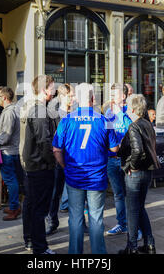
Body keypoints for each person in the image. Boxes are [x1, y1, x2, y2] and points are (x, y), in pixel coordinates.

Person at [53, 83, 120, 254]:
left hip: (74, 176)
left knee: (75, 218)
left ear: (76, 100)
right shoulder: (104, 120)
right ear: (93, 99)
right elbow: (114, 149)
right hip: (96, 177)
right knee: (96, 219)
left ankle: (75, 253)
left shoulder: (66, 120)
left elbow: (56, 149)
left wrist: (65, 166)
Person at [117, 94, 160, 254]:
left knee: (133, 210)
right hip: (147, 171)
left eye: (128, 107)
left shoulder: (134, 126)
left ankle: (132, 247)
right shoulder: (148, 124)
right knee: (140, 208)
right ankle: (149, 244)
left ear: (133, 109)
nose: (126, 109)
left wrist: (130, 166)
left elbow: (138, 150)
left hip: (136, 173)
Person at [19, 75, 56, 254]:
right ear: (44, 89)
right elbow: (44, 141)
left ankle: (32, 242)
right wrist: (52, 162)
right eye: (52, 88)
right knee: (39, 209)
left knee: (32, 206)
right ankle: (40, 247)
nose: (54, 91)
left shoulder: (31, 107)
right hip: (39, 167)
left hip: (32, 165)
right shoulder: (39, 110)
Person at [104, 84, 135, 237]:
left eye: (114, 94)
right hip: (111, 160)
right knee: (118, 194)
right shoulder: (108, 112)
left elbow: (132, 132)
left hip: (126, 160)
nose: (111, 97)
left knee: (131, 194)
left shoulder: (129, 112)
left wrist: (121, 115)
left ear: (123, 96)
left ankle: (135, 226)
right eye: (111, 94)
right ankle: (122, 224)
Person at [46, 83, 75, 234]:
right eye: (70, 96)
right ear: (62, 96)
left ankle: (79, 223)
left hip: (73, 160)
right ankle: (52, 221)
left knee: (77, 193)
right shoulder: (54, 115)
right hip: (58, 159)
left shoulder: (76, 114)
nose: (73, 98)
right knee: (55, 193)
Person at [0, 86, 22, 221]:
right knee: (13, 180)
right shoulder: (15, 109)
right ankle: (14, 205)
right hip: (14, 150)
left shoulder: (8, 112)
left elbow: (5, 136)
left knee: (10, 181)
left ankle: (14, 208)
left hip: (8, 151)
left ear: (5, 98)